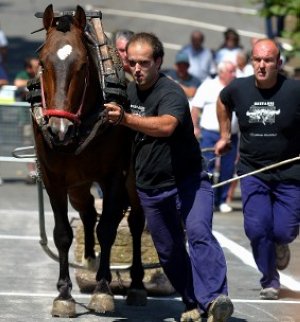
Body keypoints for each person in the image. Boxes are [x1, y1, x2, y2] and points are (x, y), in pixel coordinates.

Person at [104, 32, 233, 322]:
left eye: (144, 63)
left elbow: (166, 126)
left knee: (199, 233)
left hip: (188, 182)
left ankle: (215, 300)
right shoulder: (127, 93)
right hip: (150, 189)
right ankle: (194, 302)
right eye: (133, 62)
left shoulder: (170, 92)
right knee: (168, 252)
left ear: (159, 61)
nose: (137, 68)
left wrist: (125, 118)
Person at [215, 38, 300, 300]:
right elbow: (222, 101)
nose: (262, 65)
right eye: (257, 60)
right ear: (252, 61)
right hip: (253, 172)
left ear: (279, 63)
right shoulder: (238, 88)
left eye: (268, 60)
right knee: (256, 228)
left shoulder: (294, 91)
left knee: (284, 230)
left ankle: (279, 244)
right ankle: (270, 280)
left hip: (290, 172)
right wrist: (225, 135)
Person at [191, 61, 239, 213]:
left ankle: (222, 200)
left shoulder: (237, 87)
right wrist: (194, 126)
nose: (234, 74)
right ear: (222, 72)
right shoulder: (208, 85)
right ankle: (206, 198)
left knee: (228, 168)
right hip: (210, 133)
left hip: (232, 134)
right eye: (231, 71)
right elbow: (196, 107)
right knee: (207, 167)